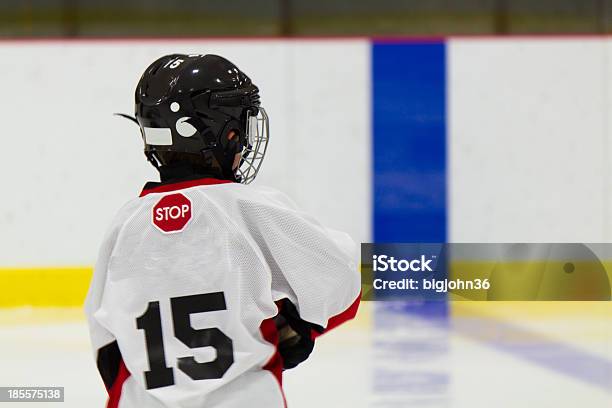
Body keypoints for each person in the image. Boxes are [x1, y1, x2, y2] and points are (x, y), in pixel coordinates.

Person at [84, 53, 361, 408]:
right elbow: (340, 281)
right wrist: (293, 327)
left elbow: (107, 347)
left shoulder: (124, 226)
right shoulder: (248, 208)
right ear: (223, 133)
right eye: (239, 128)